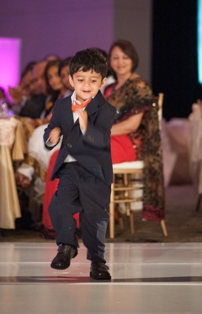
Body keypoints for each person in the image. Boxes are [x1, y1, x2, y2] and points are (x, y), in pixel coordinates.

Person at [44, 48, 116, 281]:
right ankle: (66, 246)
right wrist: (52, 135)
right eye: (81, 79)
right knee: (60, 205)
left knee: (94, 217)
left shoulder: (106, 109)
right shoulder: (62, 106)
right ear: (71, 79)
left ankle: (97, 262)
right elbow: (52, 127)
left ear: (102, 82)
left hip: (95, 170)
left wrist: (86, 126)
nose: (87, 85)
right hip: (70, 167)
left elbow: (103, 139)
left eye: (93, 81)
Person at [104, 39, 165, 222]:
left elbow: (132, 125)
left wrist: (101, 132)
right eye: (116, 57)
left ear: (133, 59)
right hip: (110, 139)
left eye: (125, 57)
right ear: (110, 60)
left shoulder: (139, 86)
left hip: (131, 144)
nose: (120, 62)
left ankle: (92, 217)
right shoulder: (109, 89)